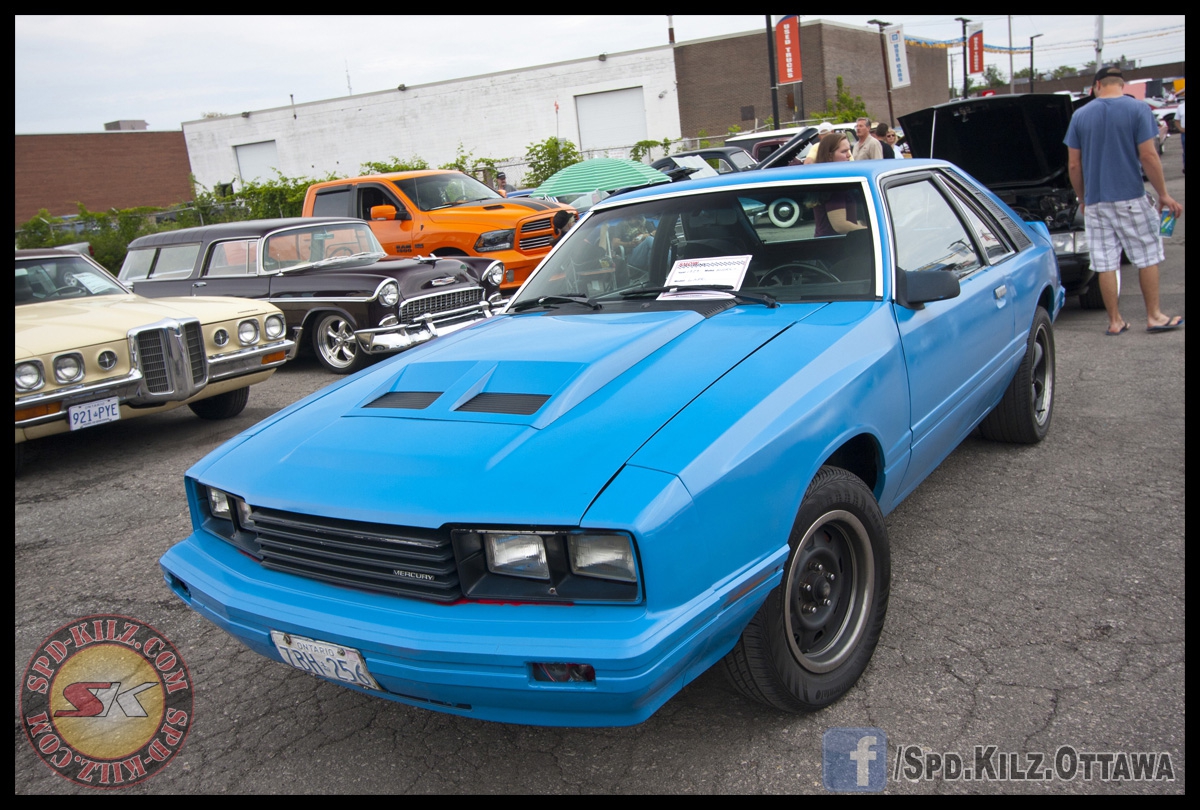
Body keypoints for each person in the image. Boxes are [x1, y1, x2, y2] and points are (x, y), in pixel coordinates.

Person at [1065, 65, 1184, 334]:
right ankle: (1154, 316)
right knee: (1147, 256)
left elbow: (1074, 164)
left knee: (1105, 262)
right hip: (1130, 196)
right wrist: (1163, 194)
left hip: (1095, 202)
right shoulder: (1138, 109)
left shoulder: (1080, 116)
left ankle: (1115, 321)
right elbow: (1148, 155)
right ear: (1121, 85)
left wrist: (1082, 197)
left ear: (1097, 86)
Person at [811, 133, 868, 237]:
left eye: (849, 150)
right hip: (834, 244)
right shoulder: (834, 186)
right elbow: (840, 225)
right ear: (829, 156)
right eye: (844, 151)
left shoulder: (828, 181)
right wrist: (870, 231)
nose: (849, 155)